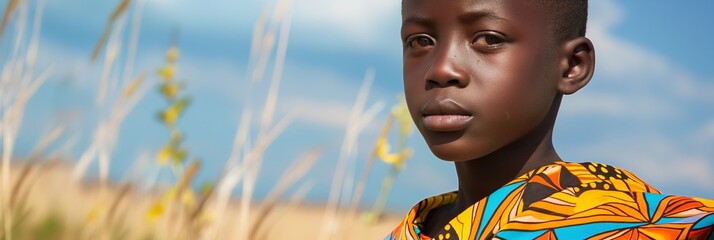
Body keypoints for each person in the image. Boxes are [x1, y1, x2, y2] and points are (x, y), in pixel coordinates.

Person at [386, 0, 714, 239]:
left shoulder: (641, 228)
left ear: (572, 65)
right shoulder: (409, 231)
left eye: (487, 39)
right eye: (419, 41)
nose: (441, 69)